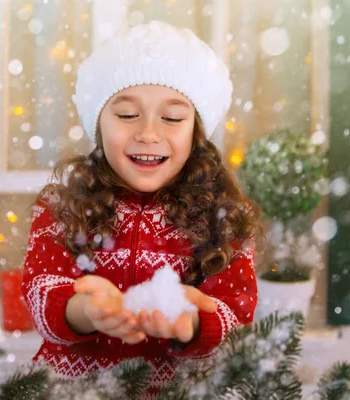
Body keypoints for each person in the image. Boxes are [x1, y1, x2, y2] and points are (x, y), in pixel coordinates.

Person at [21, 20, 262, 398]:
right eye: (128, 114)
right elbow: (41, 291)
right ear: (98, 124)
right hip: (73, 391)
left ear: (196, 131)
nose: (149, 133)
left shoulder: (223, 216)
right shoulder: (62, 207)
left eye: (172, 118)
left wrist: (194, 324)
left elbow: (237, 316)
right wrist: (87, 311)